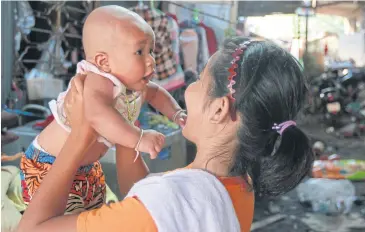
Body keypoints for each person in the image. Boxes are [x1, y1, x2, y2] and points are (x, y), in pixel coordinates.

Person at [17, 37, 314, 232]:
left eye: (199, 79)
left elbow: (30, 229)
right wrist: (127, 125)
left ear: (219, 109)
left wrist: (82, 130)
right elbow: (152, 195)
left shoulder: (164, 204)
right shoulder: (239, 184)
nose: (190, 89)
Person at [19, 5, 186, 213]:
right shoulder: (98, 80)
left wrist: (176, 112)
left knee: (93, 213)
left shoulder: (127, 85)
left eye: (151, 51)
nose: (151, 61)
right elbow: (97, 115)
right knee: (62, 221)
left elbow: (155, 93)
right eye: (140, 51)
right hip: (47, 166)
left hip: (86, 168)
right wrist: (139, 138)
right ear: (103, 62)